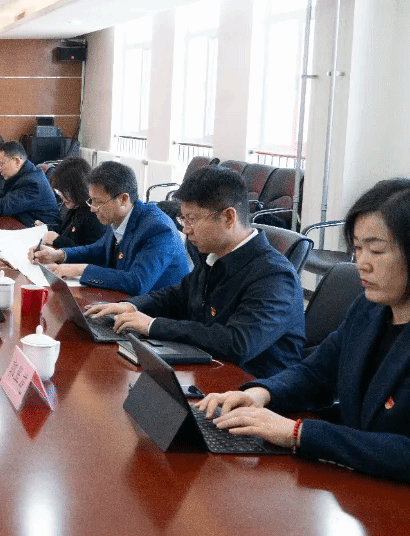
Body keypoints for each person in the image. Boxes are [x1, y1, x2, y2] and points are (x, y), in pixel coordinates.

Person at [196, 179, 410, 483]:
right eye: (358, 248)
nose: (361, 263)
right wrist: (261, 394)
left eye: (376, 250)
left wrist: (298, 433)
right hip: (354, 481)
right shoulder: (368, 308)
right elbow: (317, 372)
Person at [84, 166, 305, 378]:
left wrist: (153, 326)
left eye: (192, 219)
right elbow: (177, 295)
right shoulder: (214, 255)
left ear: (228, 217)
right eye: (183, 219)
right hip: (207, 370)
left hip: (249, 389)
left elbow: (237, 342)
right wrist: (132, 306)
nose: (185, 229)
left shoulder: (274, 276)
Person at [32, 160, 189, 296]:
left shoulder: (158, 228)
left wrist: (81, 270)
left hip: (154, 312)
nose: (92, 208)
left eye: (98, 202)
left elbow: (137, 282)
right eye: (91, 200)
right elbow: (98, 250)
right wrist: (59, 254)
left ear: (123, 199)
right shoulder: (118, 216)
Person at [39, 156, 107, 248]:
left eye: (65, 192)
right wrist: (45, 228)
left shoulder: (94, 213)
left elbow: (91, 252)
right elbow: (65, 231)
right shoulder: (76, 204)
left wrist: (58, 240)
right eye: (59, 191)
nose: (61, 196)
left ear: (79, 188)